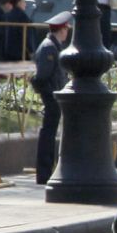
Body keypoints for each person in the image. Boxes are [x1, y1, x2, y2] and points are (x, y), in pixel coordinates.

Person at [30, 12, 72, 184]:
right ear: (61, 29)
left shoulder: (54, 46)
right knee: (48, 135)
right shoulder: (49, 47)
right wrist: (47, 93)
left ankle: (47, 170)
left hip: (54, 95)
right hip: (52, 96)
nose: (67, 32)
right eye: (66, 29)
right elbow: (42, 76)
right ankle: (44, 172)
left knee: (50, 134)